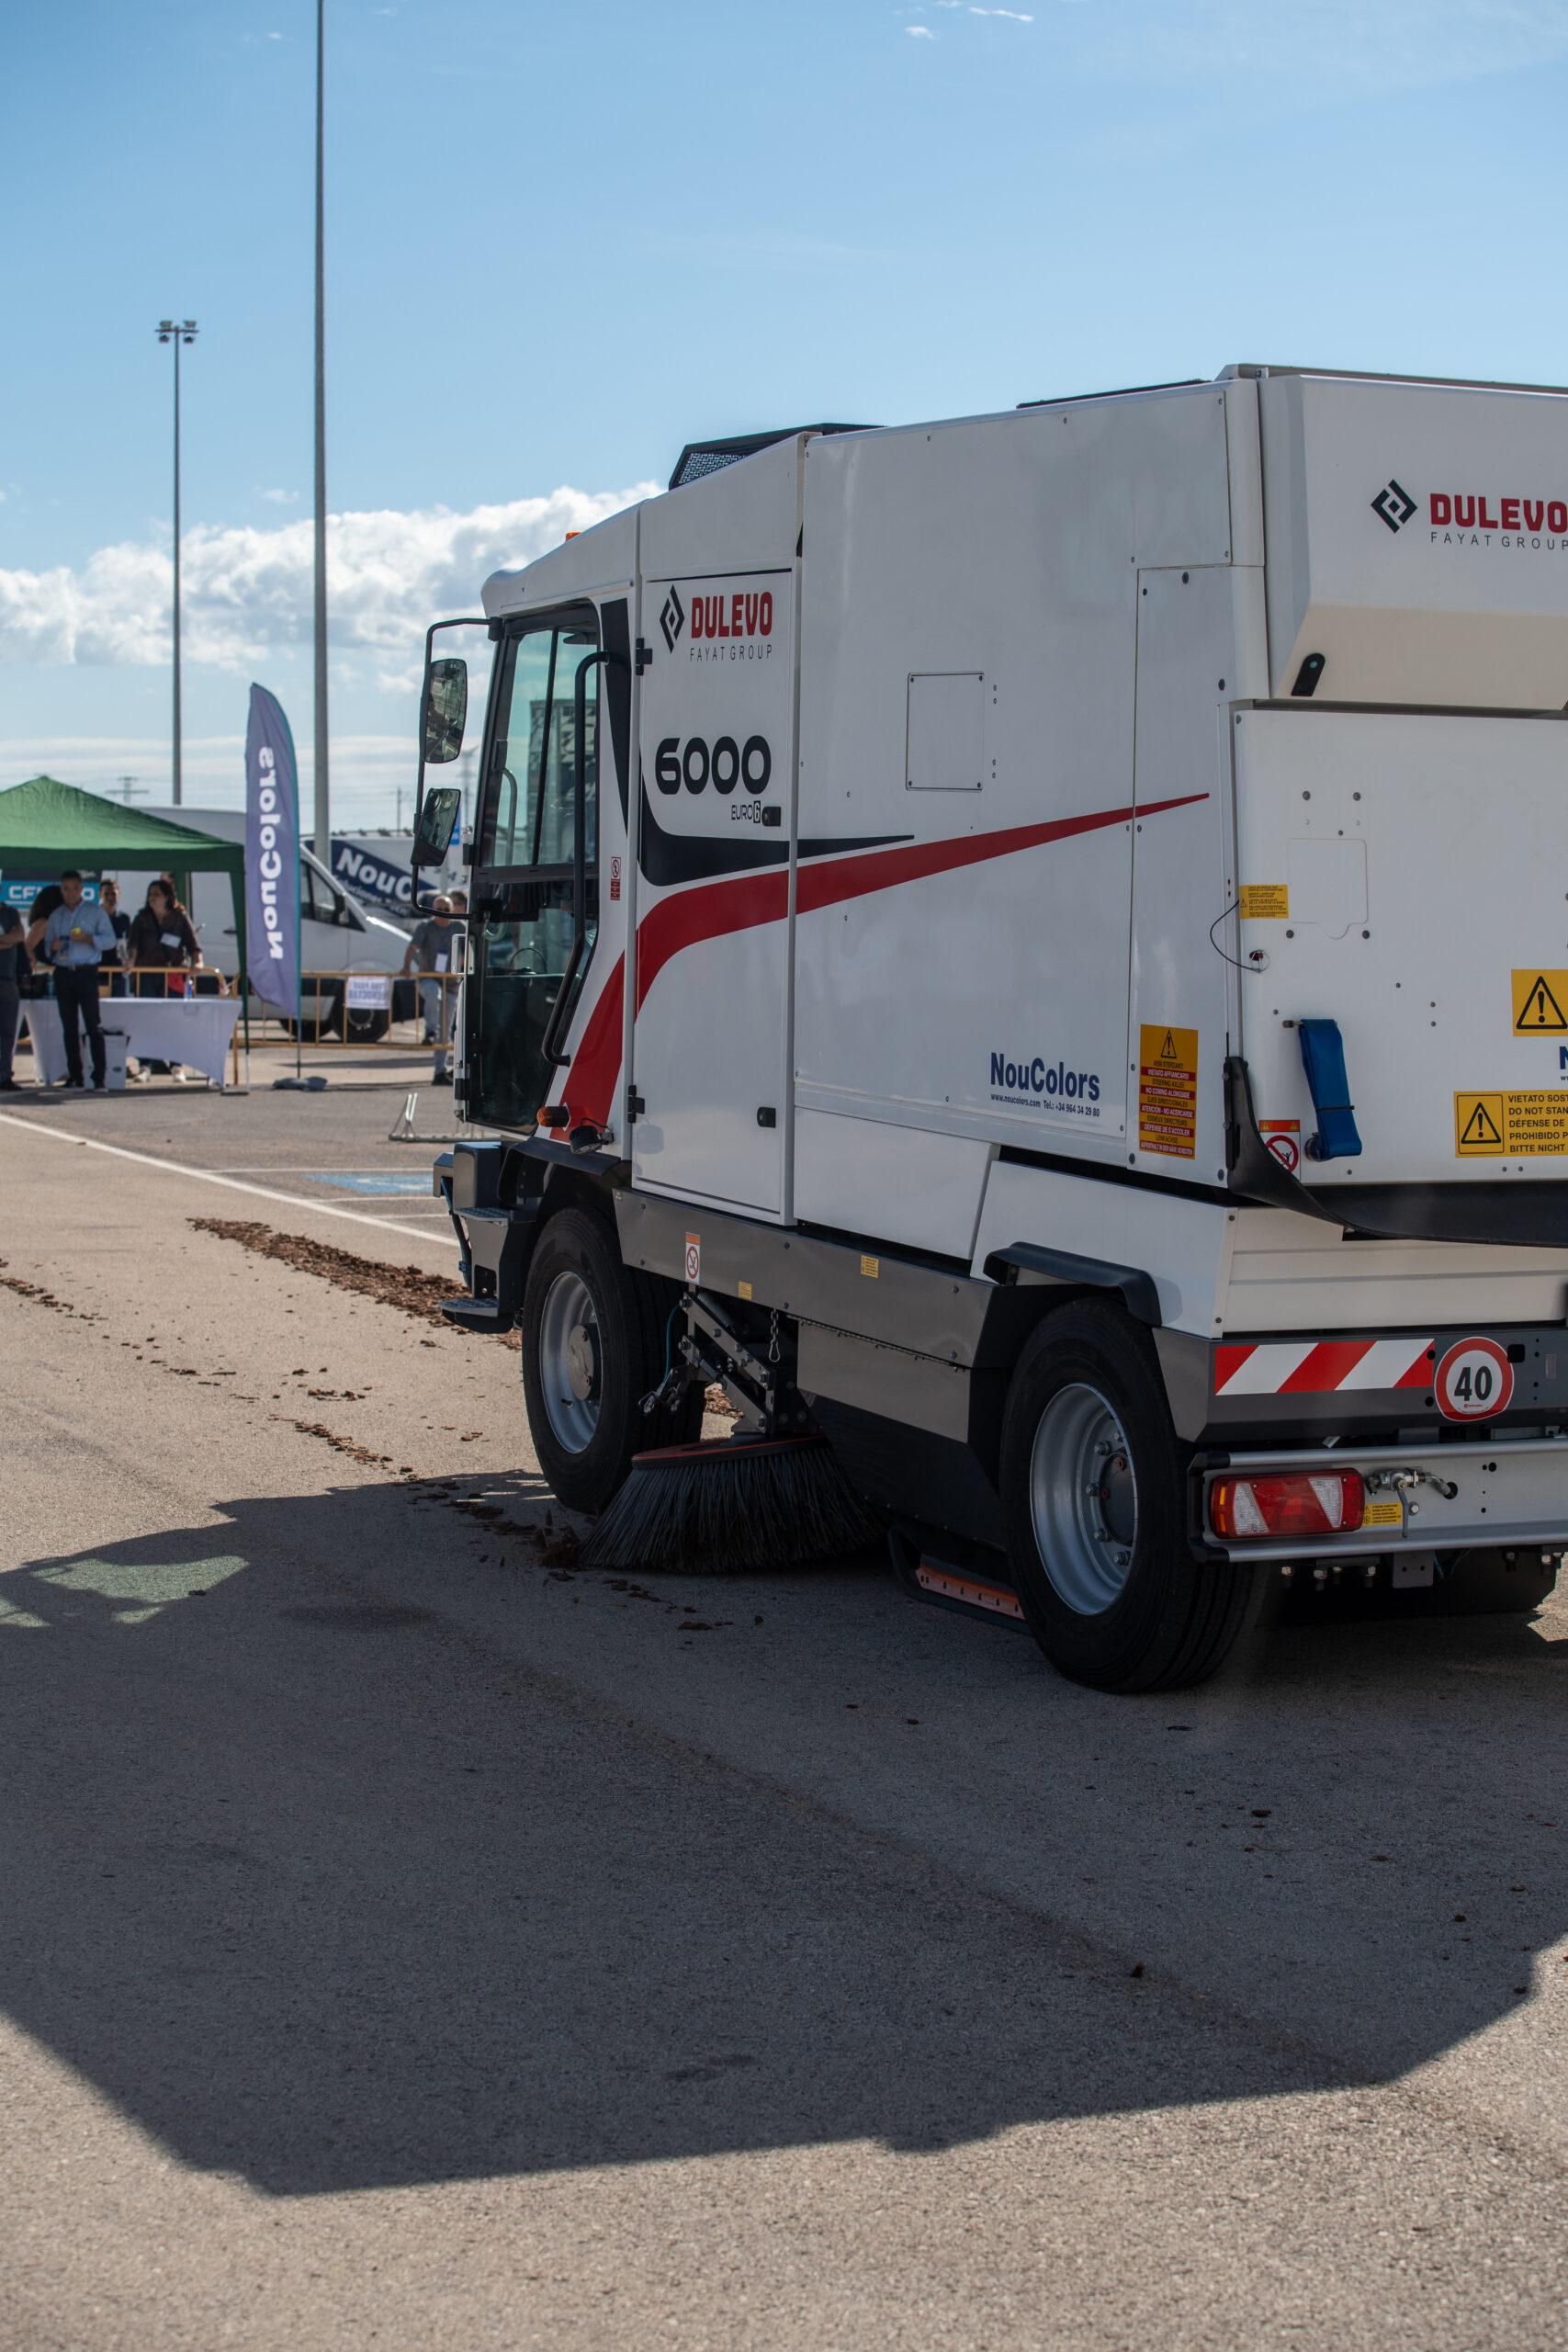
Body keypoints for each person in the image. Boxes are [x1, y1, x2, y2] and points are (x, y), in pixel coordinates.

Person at [39, 872, 116, 1090]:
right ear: (61, 890)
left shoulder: (95, 912)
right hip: (64, 972)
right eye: (65, 888)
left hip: (86, 972)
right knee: (69, 1027)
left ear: (81, 889)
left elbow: (109, 940)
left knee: (94, 1025)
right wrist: (52, 948)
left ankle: (99, 1078)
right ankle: (75, 1075)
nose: (70, 893)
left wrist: (89, 939)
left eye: (74, 888)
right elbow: (47, 948)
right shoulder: (56, 916)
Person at [127, 878, 202, 1080]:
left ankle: (177, 1065)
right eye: (150, 894)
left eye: (156, 894)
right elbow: (132, 944)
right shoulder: (142, 918)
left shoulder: (179, 918)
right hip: (147, 975)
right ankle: (145, 1066)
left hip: (173, 975)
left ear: (167, 897)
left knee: (174, 1021)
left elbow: (194, 945)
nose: (152, 898)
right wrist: (131, 960)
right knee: (146, 1021)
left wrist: (198, 962)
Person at [400, 894, 463, 1083]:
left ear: (452, 911)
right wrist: (406, 966)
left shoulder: (459, 927)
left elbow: (468, 950)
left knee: (445, 1032)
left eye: (446, 910)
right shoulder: (425, 927)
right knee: (434, 994)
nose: (442, 914)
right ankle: (428, 1031)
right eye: (438, 909)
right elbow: (412, 948)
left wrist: (467, 971)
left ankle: (439, 1071)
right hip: (429, 979)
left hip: (450, 985)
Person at [0, 899, 28, 1091]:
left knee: (8, 1033)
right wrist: (6, 940)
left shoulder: (10, 912)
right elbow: (12, 938)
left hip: (7, 978)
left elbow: (19, 935)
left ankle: (4, 1075)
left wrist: (9, 939)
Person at [97, 878, 130, 998]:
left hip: (119, 972)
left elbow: (128, 942)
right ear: (100, 894)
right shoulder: (95, 916)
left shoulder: (124, 918)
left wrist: (129, 959)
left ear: (119, 895)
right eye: (106, 894)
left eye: (113, 894)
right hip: (98, 971)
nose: (110, 897)